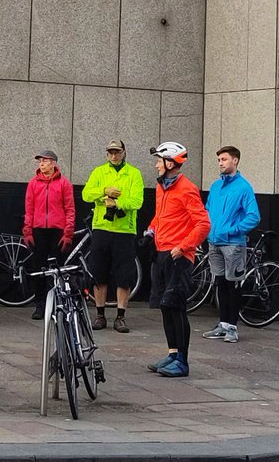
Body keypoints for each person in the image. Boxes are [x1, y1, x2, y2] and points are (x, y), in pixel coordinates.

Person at [144, 142, 210, 379]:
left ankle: (182, 361)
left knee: (176, 307)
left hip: (178, 256)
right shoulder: (162, 186)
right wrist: (150, 231)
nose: (155, 164)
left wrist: (183, 248)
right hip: (162, 253)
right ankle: (172, 354)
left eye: (159, 160)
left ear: (170, 163)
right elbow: (162, 217)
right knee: (165, 306)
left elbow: (203, 224)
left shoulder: (187, 188)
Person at [80, 139, 144, 333]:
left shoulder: (134, 173)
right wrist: (103, 192)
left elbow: (137, 200)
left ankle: (120, 316)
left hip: (124, 231)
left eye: (117, 152)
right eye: (110, 152)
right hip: (102, 228)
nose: (114, 156)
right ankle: (99, 315)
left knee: (124, 275)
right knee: (99, 273)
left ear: (124, 152)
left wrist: (117, 203)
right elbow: (86, 194)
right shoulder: (99, 172)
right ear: (106, 154)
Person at [201, 144, 260, 344]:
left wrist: (233, 230)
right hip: (215, 242)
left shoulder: (244, 187)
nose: (220, 163)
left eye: (224, 159)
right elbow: (207, 210)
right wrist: (209, 229)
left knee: (233, 285)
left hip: (233, 244)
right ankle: (223, 324)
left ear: (235, 160)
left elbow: (254, 216)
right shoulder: (216, 186)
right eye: (219, 160)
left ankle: (232, 327)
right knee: (220, 282)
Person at [24, 149, 76, 321]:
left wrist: (68, 233)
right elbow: (29, 208)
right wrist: (28, 230)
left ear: (53, 163)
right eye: (40, 161)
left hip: (57, 230)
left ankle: (57, 302)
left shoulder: (64, 183)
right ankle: (39, 304)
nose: (41, 164)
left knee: (56, 269)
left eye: (45, 161)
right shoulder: (33, 183)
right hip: (39, 230)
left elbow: (70, 209)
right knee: (39, 268)